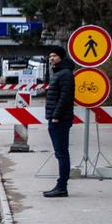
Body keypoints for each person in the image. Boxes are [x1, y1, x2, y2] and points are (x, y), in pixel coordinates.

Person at [43, 45, 76, 198]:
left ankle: (62, 186)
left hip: (60, 120)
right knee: (60, 153)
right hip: (55, 119)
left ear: (61, 57)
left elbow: (65, 97)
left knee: (62, 154)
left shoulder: (65, 74)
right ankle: (61, 185)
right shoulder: (58, 73)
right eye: (50, 56)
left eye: (55, 56)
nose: (52, 59)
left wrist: (56, 116)